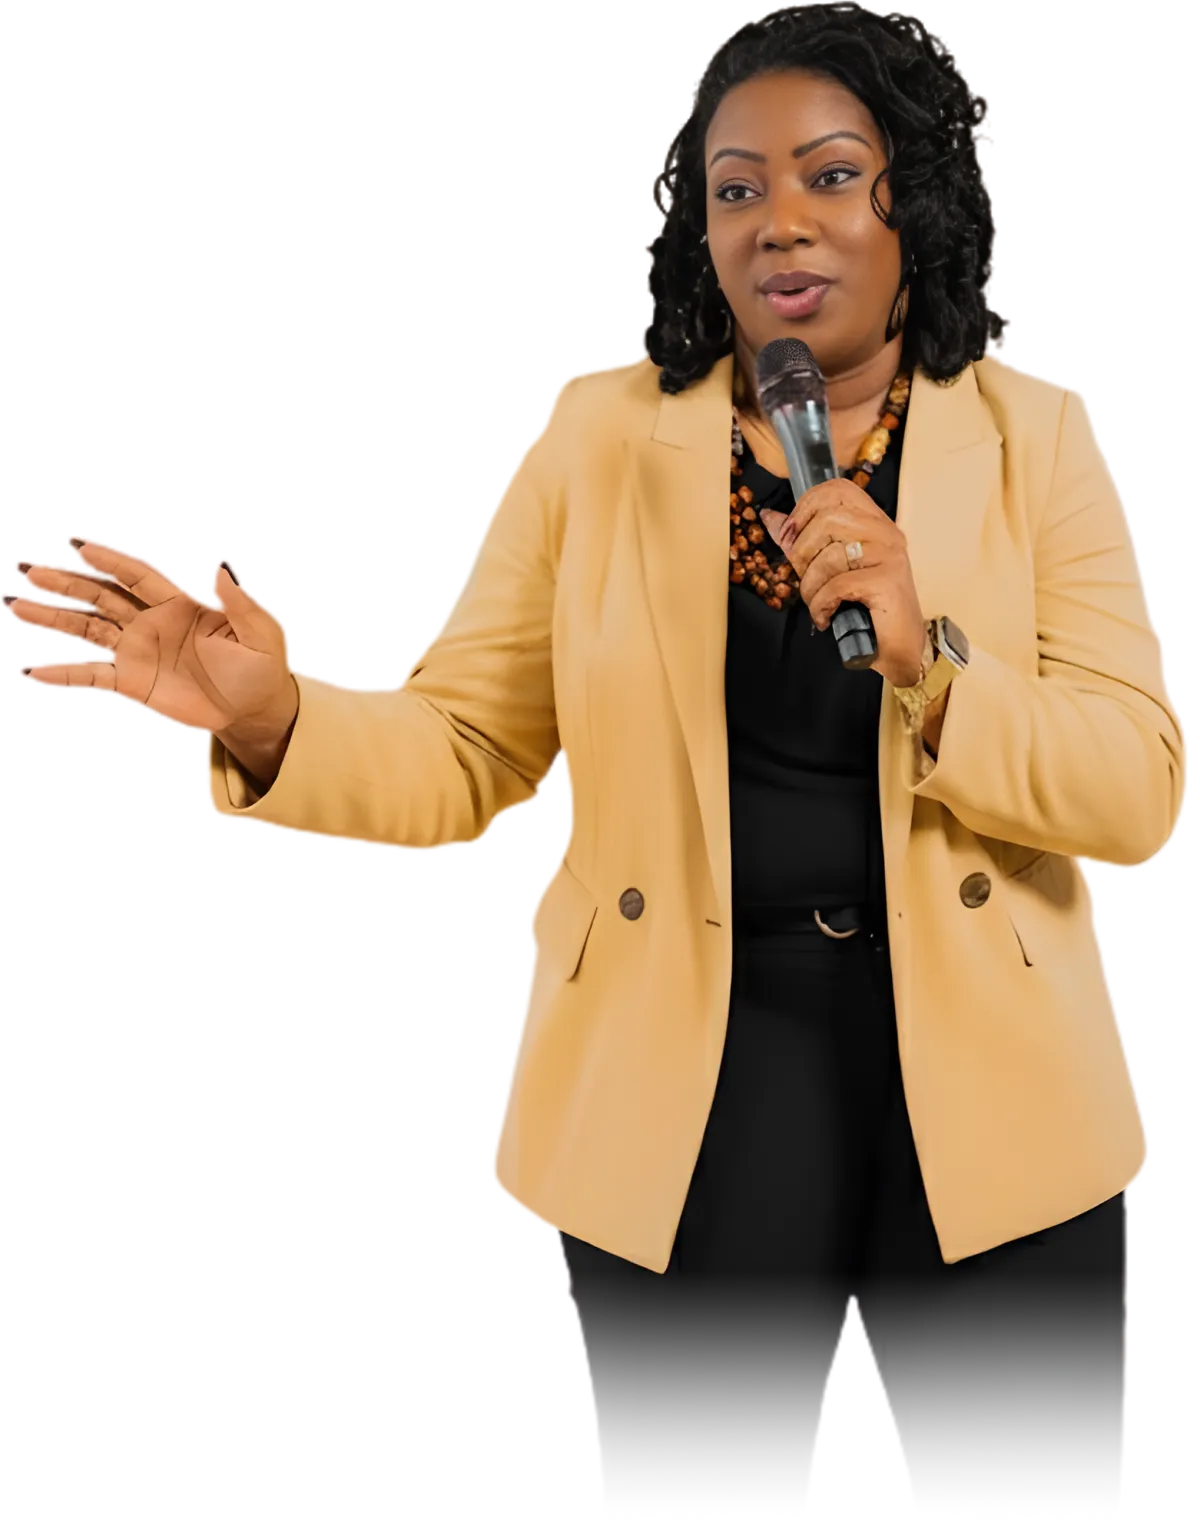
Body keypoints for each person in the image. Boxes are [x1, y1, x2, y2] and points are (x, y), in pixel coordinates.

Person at [5, 4, 1185, 1514]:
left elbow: (1136, 789)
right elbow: (466, 750)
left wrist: (930, 663)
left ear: (920, 205)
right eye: (737, 189)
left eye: (833, 175)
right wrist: (271, 721)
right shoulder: (596, 439)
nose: (780, 221)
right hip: (686, 1074)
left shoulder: (1039, 439)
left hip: (997, 1078)